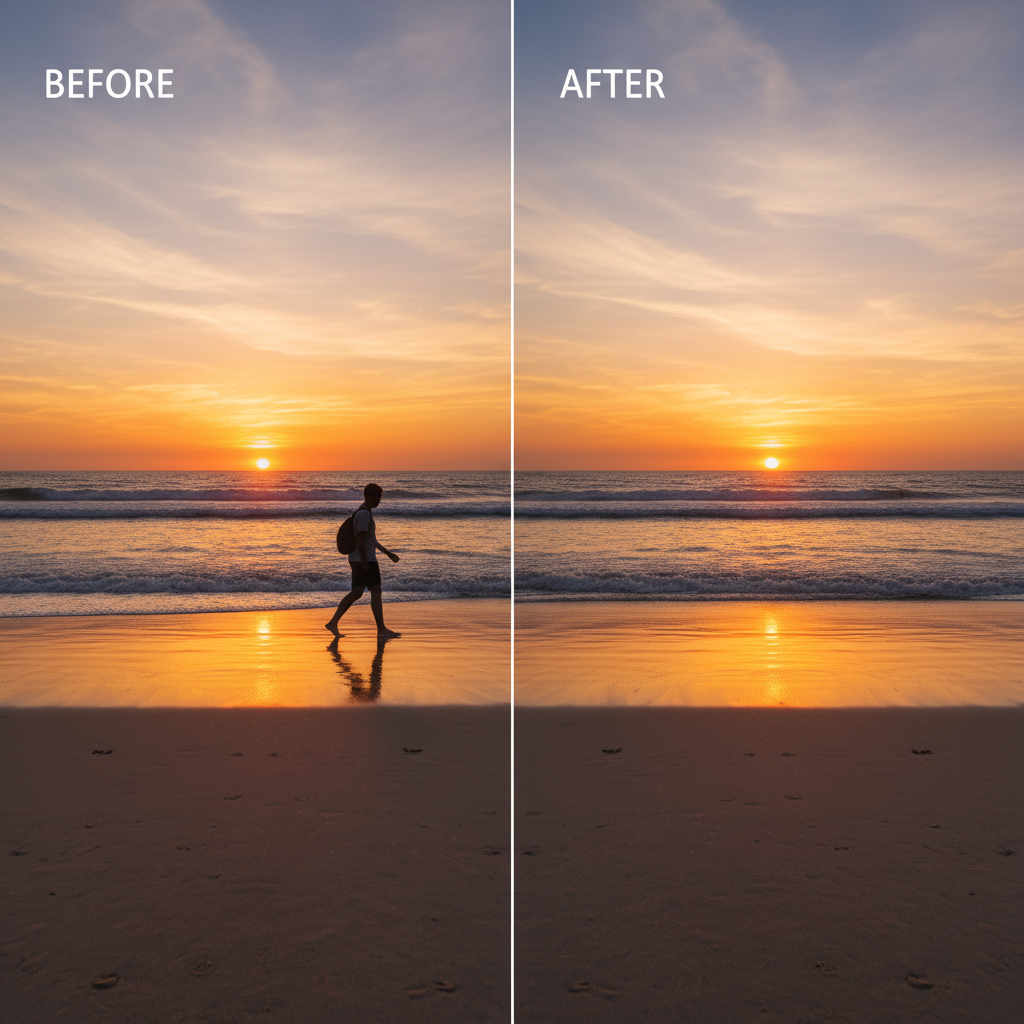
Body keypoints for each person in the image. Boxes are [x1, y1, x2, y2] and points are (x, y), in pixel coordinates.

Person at [325, 483, 401, 639]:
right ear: (371, 497)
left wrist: (388, 553)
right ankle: (381, 629)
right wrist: (366, 562)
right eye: (378, 497)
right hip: (364, 560)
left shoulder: (363, 512)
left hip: (361, 559)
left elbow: (370, 540)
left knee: (360, 591)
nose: (379, 500)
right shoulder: (364, 514)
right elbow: (360, 539)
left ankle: (333, 622)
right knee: (373, 591)